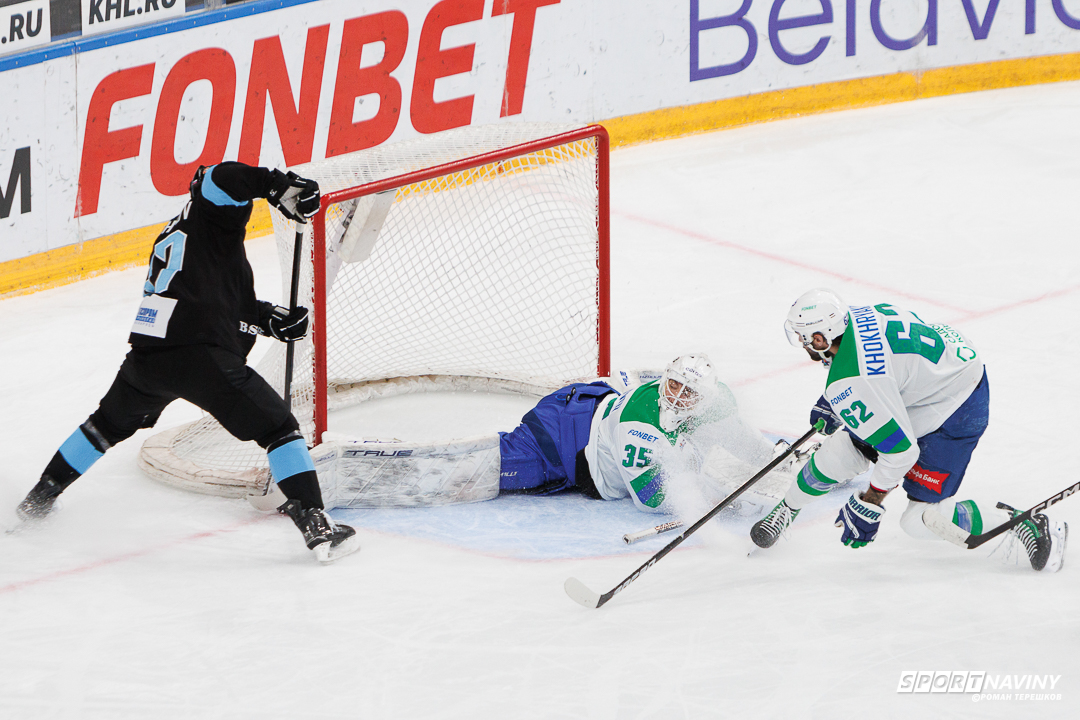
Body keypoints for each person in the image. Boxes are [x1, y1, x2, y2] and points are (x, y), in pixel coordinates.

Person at [15, 162, 359, 564]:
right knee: (279, 429)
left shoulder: (183, 234)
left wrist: (268, 319)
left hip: (148, 359)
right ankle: (317, 524)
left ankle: (39, 499)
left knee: (103, 427)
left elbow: (210, 299)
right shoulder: (213, 206)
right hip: (201, 356)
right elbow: (223, 176)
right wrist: (275, 185)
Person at [750, 288, 1068, 572]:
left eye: (804, 337)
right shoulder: (858, 315)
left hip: (957, 404)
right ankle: (787, 509)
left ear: (821, 338)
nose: (802, 343)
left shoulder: (854, 382)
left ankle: (1026, 524)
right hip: (940, 369)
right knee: (842, 452)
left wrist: (871, 502)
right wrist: (843, 401)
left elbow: (901, 453)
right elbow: (883, 356)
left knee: (921, 520)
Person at [498, 354, 787, 512]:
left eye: (688, 391)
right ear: (666, 379)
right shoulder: (639, 428)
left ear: (705, 397)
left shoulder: (716, 399)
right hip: (562, 445)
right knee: (492, 470)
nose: (676, 397)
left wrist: (775, 455)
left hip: (592, 406)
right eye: (674, 385)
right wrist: (713, 498)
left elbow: (739, 434)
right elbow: (650, 498)